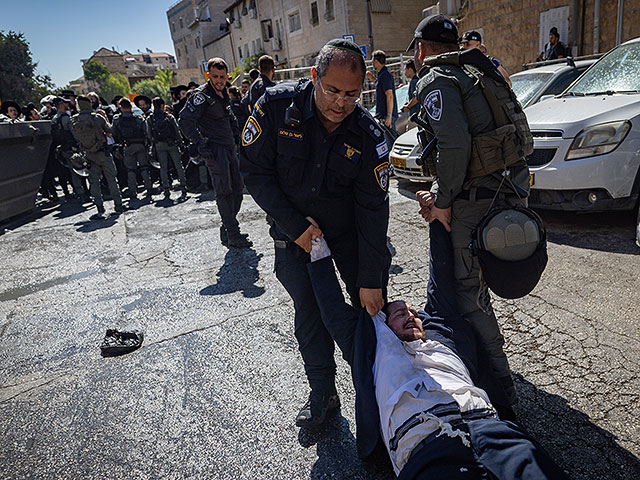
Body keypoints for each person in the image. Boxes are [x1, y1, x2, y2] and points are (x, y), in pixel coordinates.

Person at [304, 222, 567, 479]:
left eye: (413, 312)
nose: (410, 315)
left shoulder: (440, 332)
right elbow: (333, 308)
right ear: (383, 322)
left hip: (491, 428)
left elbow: (440, 277)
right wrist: (317, 247)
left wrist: (436, 222)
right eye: (399, 313)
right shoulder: (371, 346)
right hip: (425, 443)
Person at [240, 38, 391, 427]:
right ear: (314, 77)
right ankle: (323, 395)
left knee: (370, 311)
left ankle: (381, 395)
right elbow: (254, 172)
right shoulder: (275, 108)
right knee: (309, 315)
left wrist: (372, 278)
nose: (341, 103)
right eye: (333, 90)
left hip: (347, 235)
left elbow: (374, 209)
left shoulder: (367, 134)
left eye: (352, 95)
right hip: (293, 234)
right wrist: (295, 228)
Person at [408, 14, 531, 405]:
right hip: (508, 191)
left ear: (421, 49)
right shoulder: (478, 72)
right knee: (481, 288)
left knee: (469, 295)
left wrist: (441, 201)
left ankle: (501, 392)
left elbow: (455, 146)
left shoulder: (435, 79)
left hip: (475, 200)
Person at [179, 57, 251, 248]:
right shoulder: (201, 95)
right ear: (208, 75)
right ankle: (233, 233)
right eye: (215, 76)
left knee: (238, 191)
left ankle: (227, 227)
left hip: (229, 149)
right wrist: (200, 143)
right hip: (215, 151)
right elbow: (185, 121)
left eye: (222, 77)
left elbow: (228, 118)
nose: (219, 80)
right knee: (224, 192)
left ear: (227, 76)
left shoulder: (223, 93)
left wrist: (237, 137)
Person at [70, 96, 125, 219]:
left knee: (94, 182)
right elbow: (110, 130)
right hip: (102, 152)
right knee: (111, 179)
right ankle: (118, 205)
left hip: (88, 155)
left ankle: (100, 208)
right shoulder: (97, 118)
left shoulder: (74, 120)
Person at [146, 96, 187, 200]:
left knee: (163, 168)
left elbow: (149, 134)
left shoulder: (150, 118)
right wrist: (181, 144)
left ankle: (166, 189)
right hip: (171, 143)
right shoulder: (168, 117)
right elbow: (177, 131)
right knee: (178, 166)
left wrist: (153, 145)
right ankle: (183, 186)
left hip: (159, 145)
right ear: (162, 105)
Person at [112, 98, 153, 201]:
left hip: (127, 146)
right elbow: (147, 132)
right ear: (130, 107)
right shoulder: (138, 118)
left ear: (120, 107)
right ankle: (149, 188)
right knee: (144, 167)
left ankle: (133, 192)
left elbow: (114, 133)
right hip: (140, 145)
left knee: (130, 170)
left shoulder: (117, 119)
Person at [51, 97, 87, 202]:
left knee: (73, 172)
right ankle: (85, 193)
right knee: (82, 170)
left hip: (63, 149)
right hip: (73, 148)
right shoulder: (66, 118)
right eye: (65, 103)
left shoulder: (54, 119)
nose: (67, 105)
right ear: (61, 104)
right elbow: (74, 133)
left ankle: (80, 193)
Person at [366, 49, 398, 132]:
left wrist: (389, 116)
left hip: (386, 116)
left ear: (376, 61)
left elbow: (390, 96)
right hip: (382, 116)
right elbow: (379, 85)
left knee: (389, 143)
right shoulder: (382, 74)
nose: (372, 63)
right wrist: (371, 77)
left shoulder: (385, 75)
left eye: (372, 60)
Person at [401, 60, 419, 131]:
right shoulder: (416, 80)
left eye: (405, 70)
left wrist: (408, 107)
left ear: (410, 70)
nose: (404, 72)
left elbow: (416, 98)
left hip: (415, 115)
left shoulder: (414, 82)